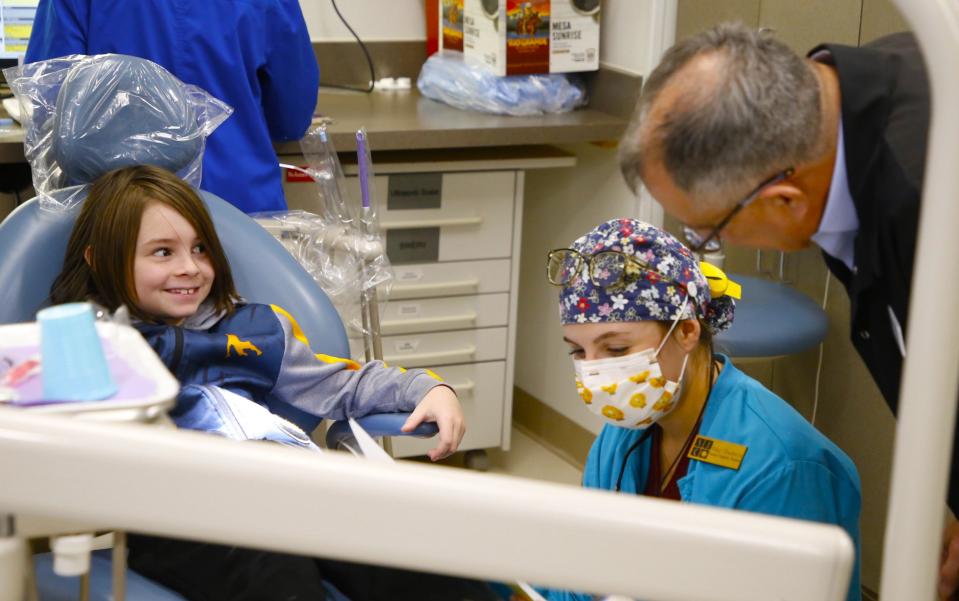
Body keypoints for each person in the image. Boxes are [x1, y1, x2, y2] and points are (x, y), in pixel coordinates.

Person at [614, 22, 959, 599]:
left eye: (705, 233)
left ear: (784, 200)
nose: (697, 249)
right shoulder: (850, 99)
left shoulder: (931, 209)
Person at [48, 164, 499, 601]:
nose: (190, 267)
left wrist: (427, 390)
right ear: (100, 259)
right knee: (280, 574)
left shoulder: (256, 332)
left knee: (414, 556)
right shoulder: (90, 343)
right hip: (177, 509)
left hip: (283, 482)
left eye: (201, 248)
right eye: (163, 252)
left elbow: (342, 385)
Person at [539, 218, 861, 601]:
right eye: (578, 351)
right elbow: (583, 571)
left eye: (617, 350)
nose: (596, 374)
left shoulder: (783, 465)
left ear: (687, 331)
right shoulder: (623, 432)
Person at [25, 0, 319, 213]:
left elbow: (48, 102)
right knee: (248, 299)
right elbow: (291, 119)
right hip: (239, 207)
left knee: (120, 300)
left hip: (119, 211)